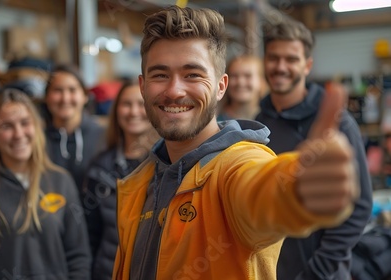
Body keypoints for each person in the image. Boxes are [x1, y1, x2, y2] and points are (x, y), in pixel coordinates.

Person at [113, 6, 359, 280]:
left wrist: (299, 189)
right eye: (160, 75)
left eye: (193, 74)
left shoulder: (235, 168)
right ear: (142, 85)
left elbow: (262, 190)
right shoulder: (138, 184)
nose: (174, 90)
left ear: (221, 86)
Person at [255, 19, 372, 280]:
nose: (281, 67)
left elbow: (360, 207)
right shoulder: (257, 126)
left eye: (291, 59)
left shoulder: (337, 123)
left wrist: (317, 271)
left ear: (307, 65)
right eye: (273, 58)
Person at [0, 89, 91, 280]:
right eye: (6, 126)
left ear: (37, 127)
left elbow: (79, 256)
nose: (18, 134)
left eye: (25, 123)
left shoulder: (61, 181)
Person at [83, 79, 158, 280]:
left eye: (141, 104)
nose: (133, 112)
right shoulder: (100, 166)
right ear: (116, 110)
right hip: (107, 272)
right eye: (126, 104)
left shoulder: (167, 164)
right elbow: (91, 233)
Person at [41, 64, 105, 192]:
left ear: (85, 96)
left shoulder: (103, 136)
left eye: (72, 90)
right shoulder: (38, 139)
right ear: (47, 97)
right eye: (57, 90)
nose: (65, 98)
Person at [218, 55, 266, 121]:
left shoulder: (271, 120)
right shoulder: (215, 122)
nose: (240, 82)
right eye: (234, 76)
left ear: (261, 81)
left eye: (247, 76)